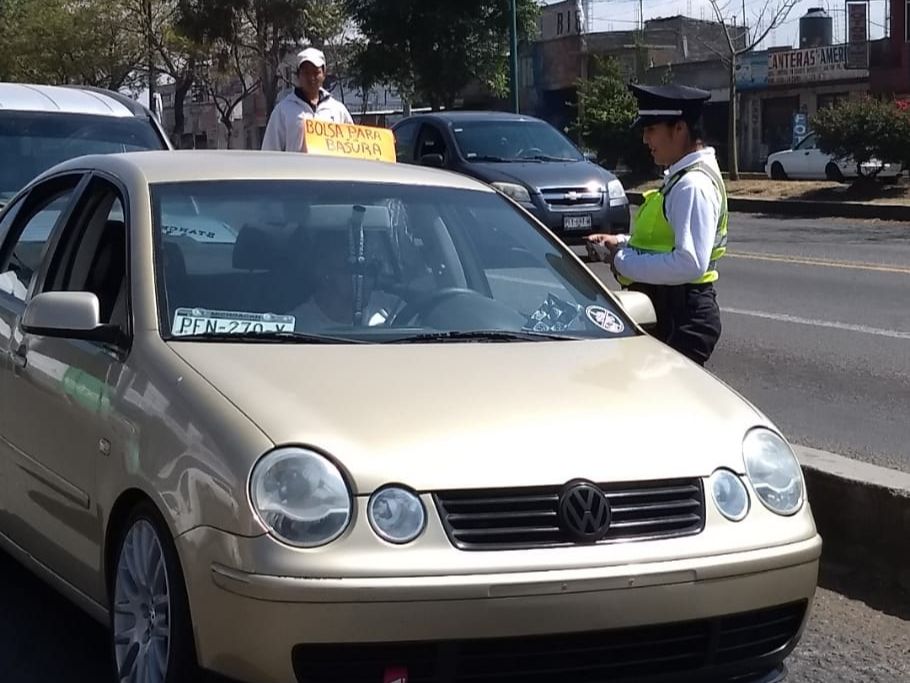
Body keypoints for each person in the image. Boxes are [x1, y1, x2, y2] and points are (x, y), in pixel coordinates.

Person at [585, 84, 727, 366]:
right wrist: (622, 242)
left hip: (681, 317)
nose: (645, 139)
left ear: (679, 128)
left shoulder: (692, 185)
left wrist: (622, 260)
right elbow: (664, 240)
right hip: (669, 308)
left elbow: (690, 262)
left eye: (651, 129)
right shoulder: (681, 177)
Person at [261, 47, 353, 152]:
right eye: (306, 73)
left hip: (330, 169)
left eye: (316, 72)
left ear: (324, 73)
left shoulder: (338, 110)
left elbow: (352, 149)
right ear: (298, 75)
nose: (311, 78)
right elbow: (270, 151)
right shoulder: (283, 111)